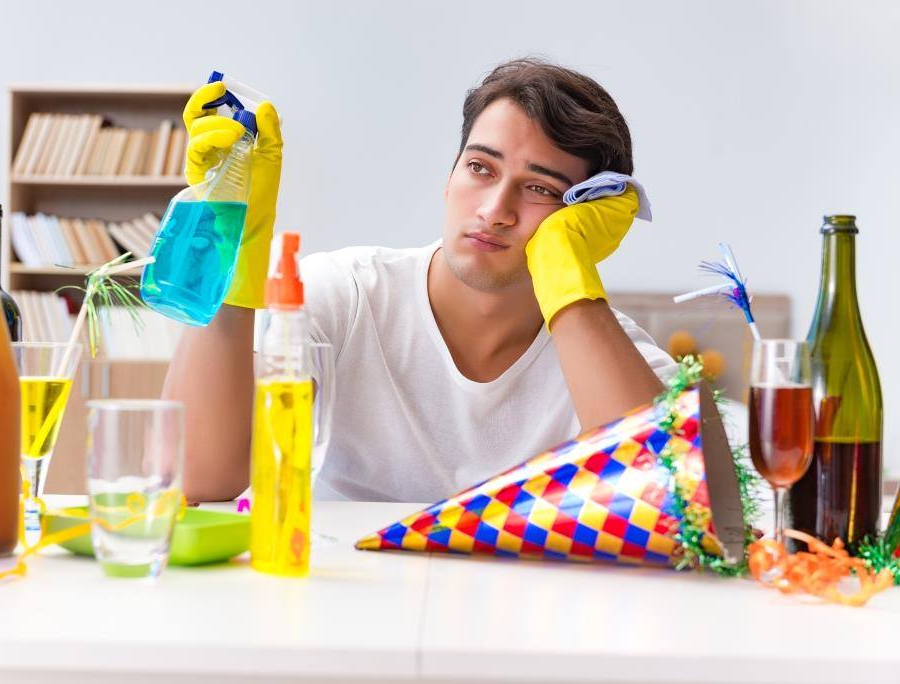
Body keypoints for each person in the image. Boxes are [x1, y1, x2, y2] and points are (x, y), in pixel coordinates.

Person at [165, 58, 676, 503]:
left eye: (539, 188)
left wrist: (567, 265)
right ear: (449, 175)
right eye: (480, 168)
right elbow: (196, 476)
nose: (495, 210)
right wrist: (226, 253)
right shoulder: (347, 295)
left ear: (588, 217)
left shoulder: (611, 354)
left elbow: (676, 507)